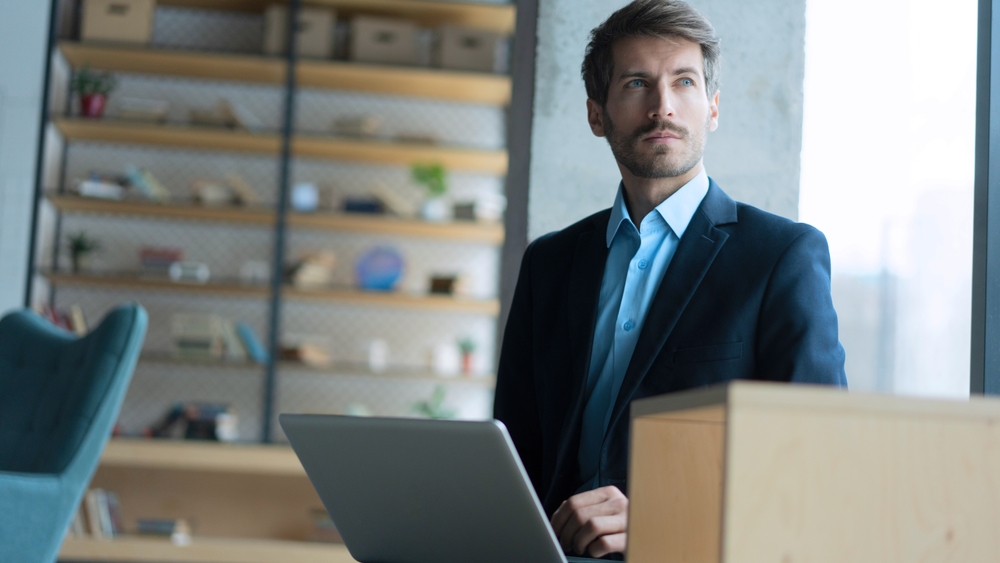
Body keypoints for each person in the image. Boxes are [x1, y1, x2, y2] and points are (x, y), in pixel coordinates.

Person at [493, 0, 848, 559]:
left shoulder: (782, 255)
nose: (663, 107)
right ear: (596, 114)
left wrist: (667, 519)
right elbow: (513, 448)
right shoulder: (549, 263)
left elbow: (818, 461)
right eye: (637, 83)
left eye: (683, 82)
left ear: (711, 107)